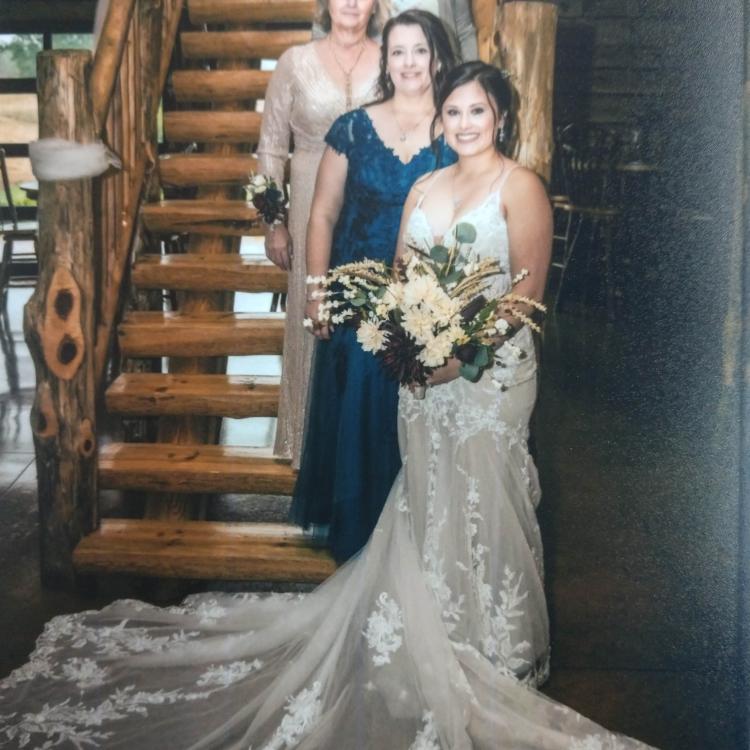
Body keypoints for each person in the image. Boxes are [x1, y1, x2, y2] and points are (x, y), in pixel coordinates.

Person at [0, 63, 657, 750]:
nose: (465, 124)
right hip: (421, 378)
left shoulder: (520, 186)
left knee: (491, 492)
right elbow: (402, 279)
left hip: (491, 377)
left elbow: (525, 294)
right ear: (441, 120)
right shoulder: (425, 187)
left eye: (478, 113)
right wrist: (411, 342)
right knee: (429, 492)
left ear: (502, 118)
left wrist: (459, 355)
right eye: (455, 112)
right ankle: (433, 625)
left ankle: (496, 641)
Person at [290, 10, 458, 564]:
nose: (409, 63)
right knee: (360, 412)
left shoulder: (457, 128)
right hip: (356, 295)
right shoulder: (354, 127)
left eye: (419, 51)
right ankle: (361, 540)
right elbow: (322, 214)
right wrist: (317, 292)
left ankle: (414, 544)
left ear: (437, 58)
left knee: (413, 411)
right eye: (398, 51)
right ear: (385, 60)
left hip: (426, 298)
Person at [257, 0, 383, 469]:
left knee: (370, 315)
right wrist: (274, 222)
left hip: (373, 204)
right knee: (314, 318)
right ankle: (306, 444)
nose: (351, 2)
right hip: (310, 199)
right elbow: (271, 148)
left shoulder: (394, 58)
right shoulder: (294, 62)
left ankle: (362, 445)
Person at [313, 0, 479, 62]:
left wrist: (469, 78)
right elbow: (322, 24)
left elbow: (464, 30)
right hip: (383, 84)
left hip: (444, 78)